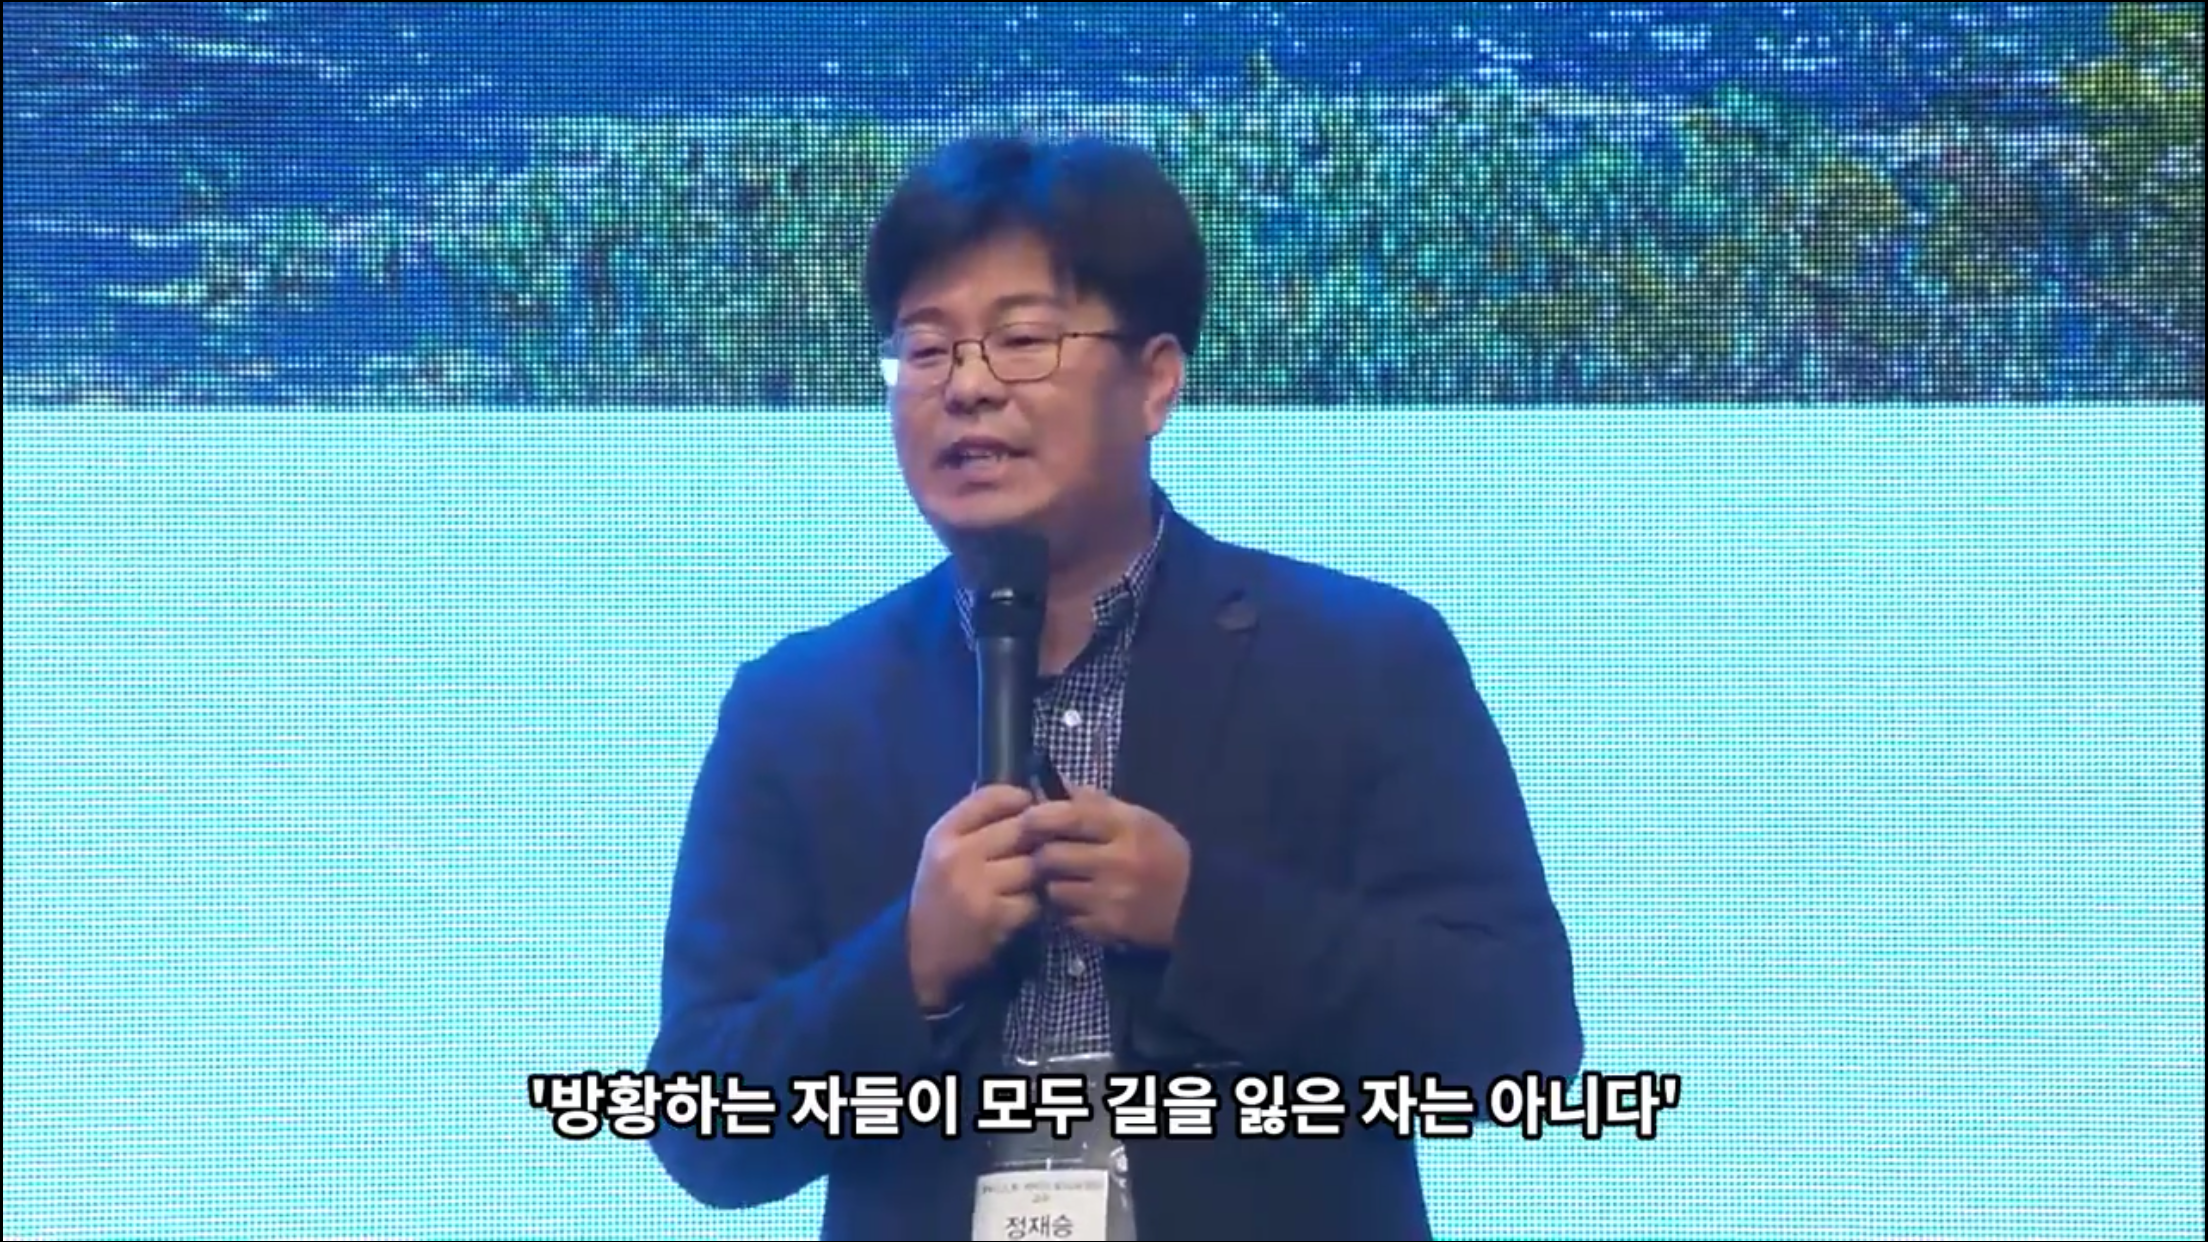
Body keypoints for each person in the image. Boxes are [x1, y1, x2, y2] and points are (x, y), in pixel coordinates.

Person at [644, 132, 1582, 1241]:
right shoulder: (802, 707)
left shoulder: (1363, 660)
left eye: (1023, 341)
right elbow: (699, 1128)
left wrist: (1201, 915)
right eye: (926, 349)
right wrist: (910, 963)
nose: (968, 387)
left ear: (1155, 381)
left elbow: (1518, 1043)